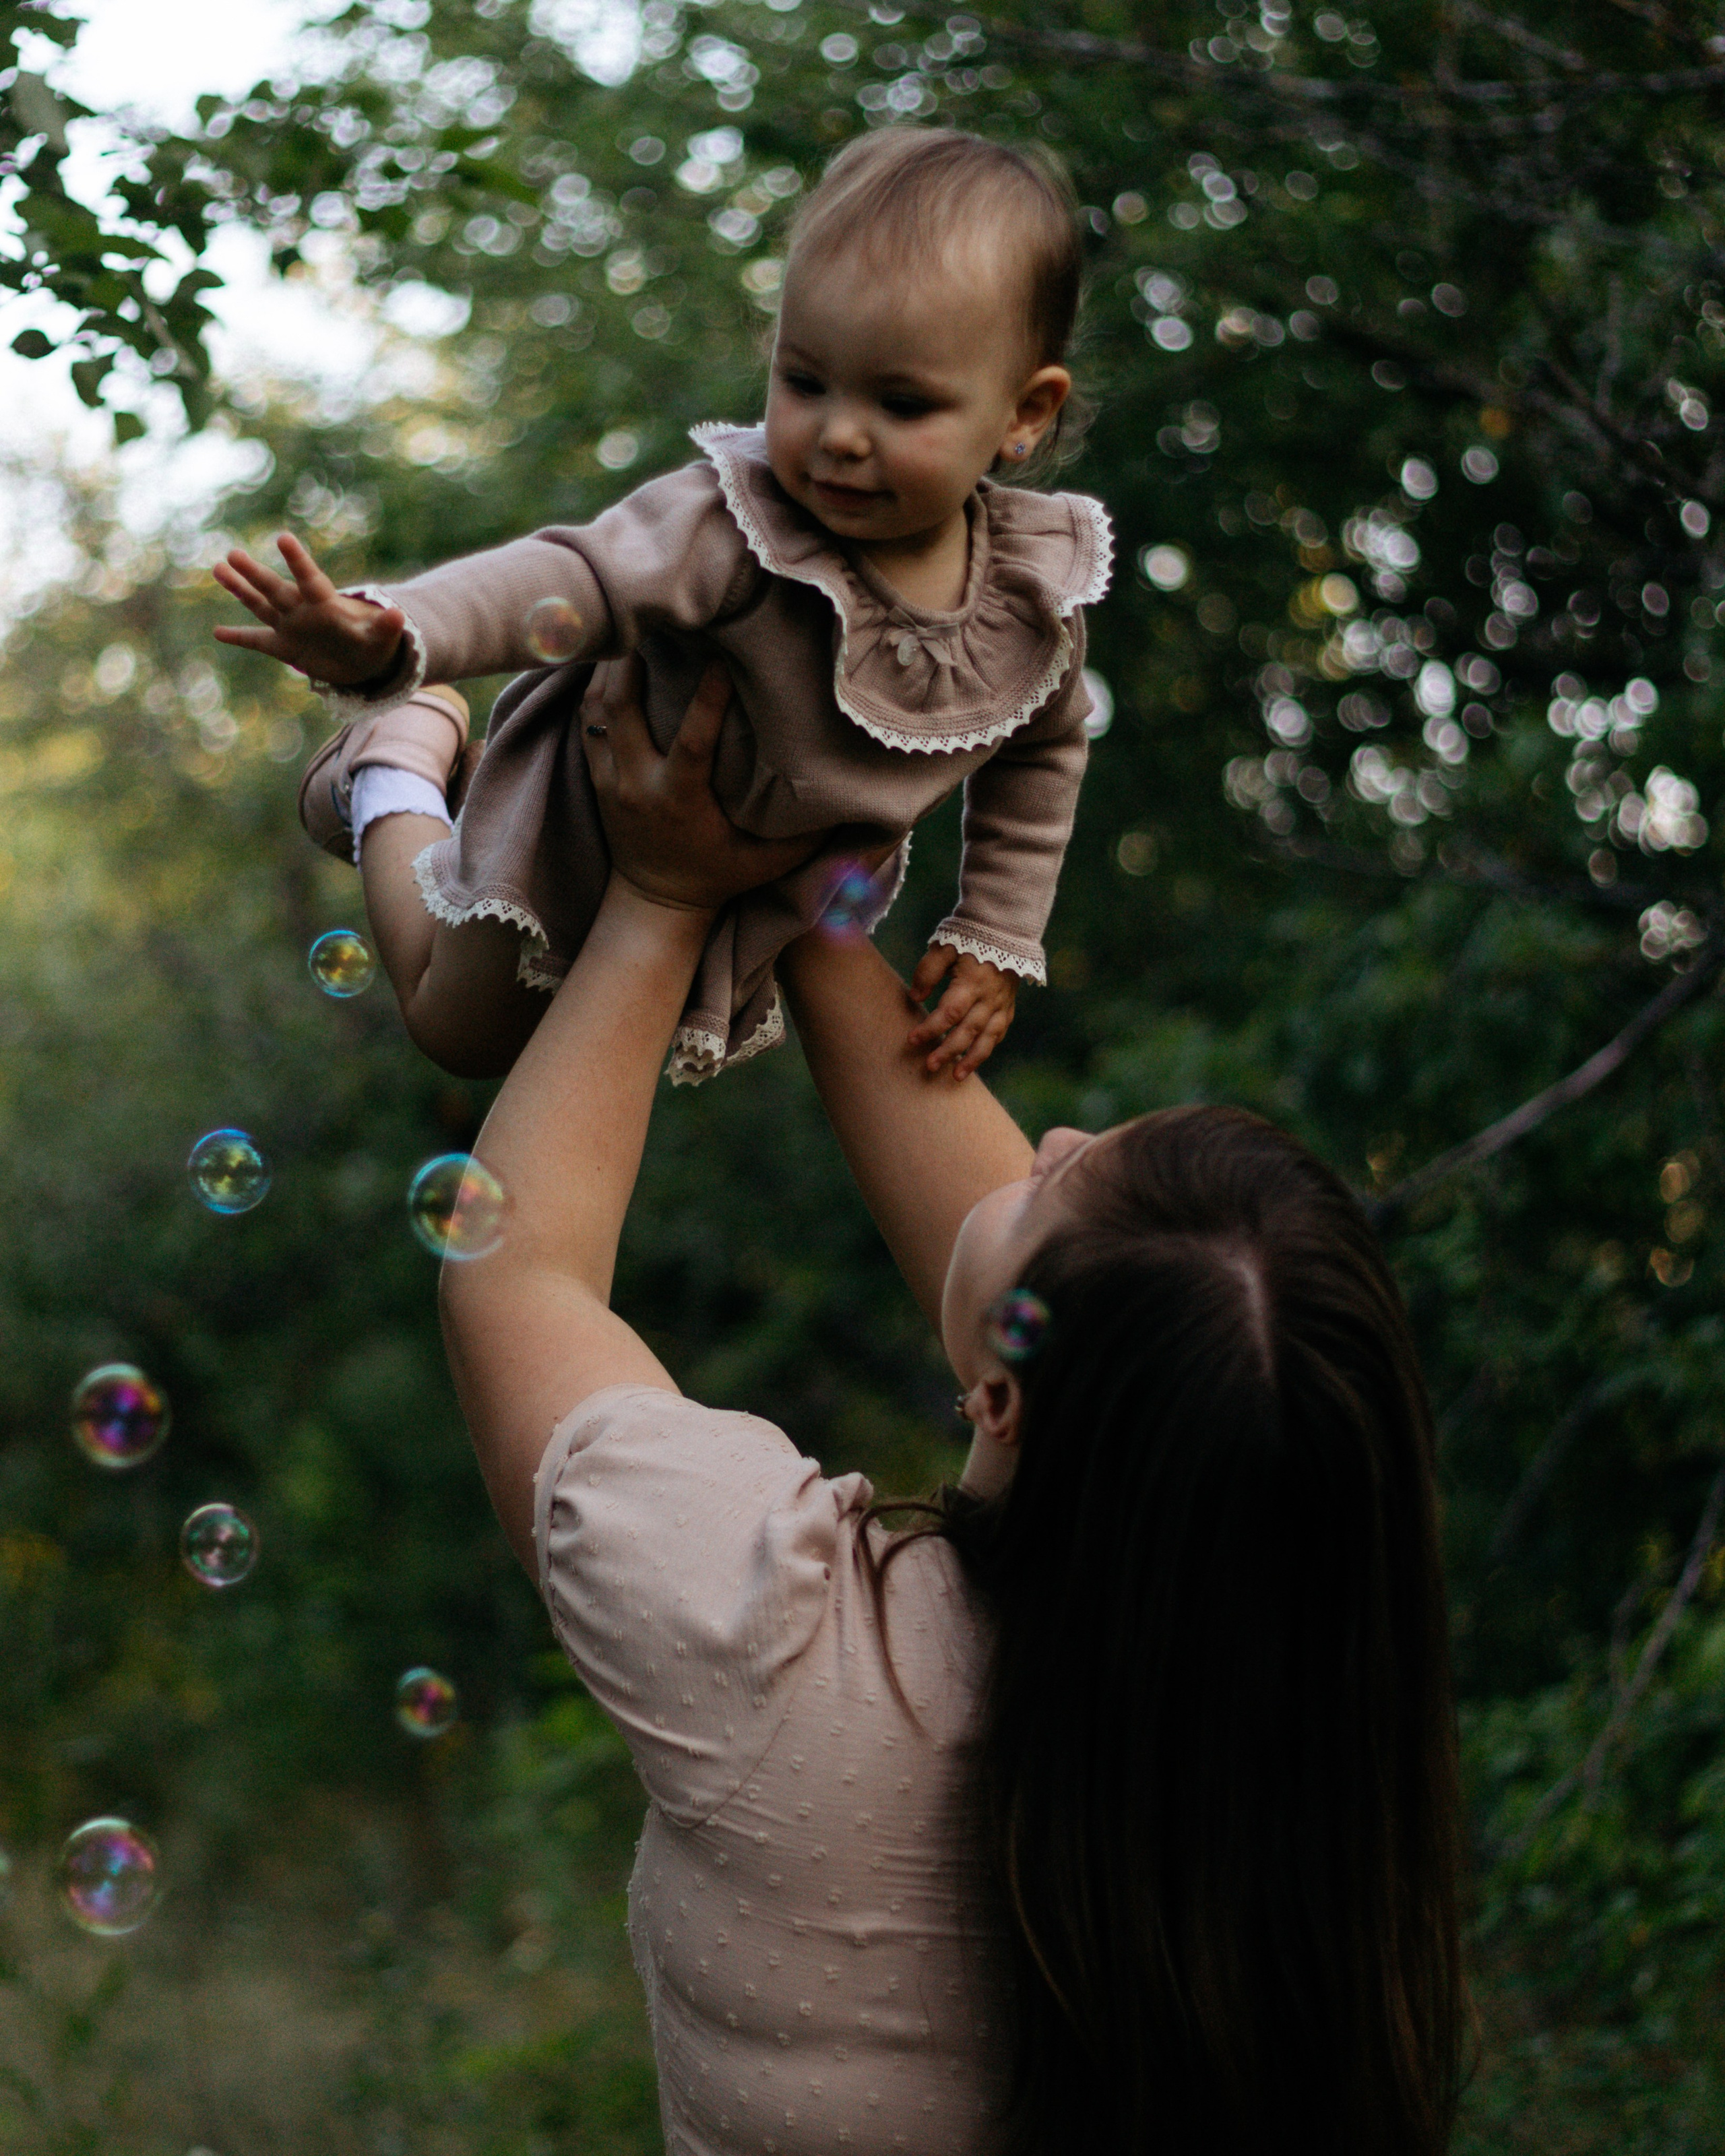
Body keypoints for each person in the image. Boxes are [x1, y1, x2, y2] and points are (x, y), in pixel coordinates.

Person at [437, 657, 1470, 2156]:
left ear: (1001, 1394)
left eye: (1053, 1173)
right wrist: (803, 894)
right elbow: (1073, 1336)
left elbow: (512, 1276)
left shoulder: (776, 1646)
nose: (1035, 1136)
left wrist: (665, 895)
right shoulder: (1312, 1771)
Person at [212, 127, 1112, 1086]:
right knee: (461, 1035)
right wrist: (396, 634)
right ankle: (391, 760)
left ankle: (449, 777)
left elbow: (1046, 746)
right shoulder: (731, 526)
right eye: (804, 382)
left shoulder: (1031, 599)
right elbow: (573, 579)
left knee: (597, 1064)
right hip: (585, 813)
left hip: (748, 881)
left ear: (1023, 413)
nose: (840, 435)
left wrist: (995, 930)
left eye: (902, 405)